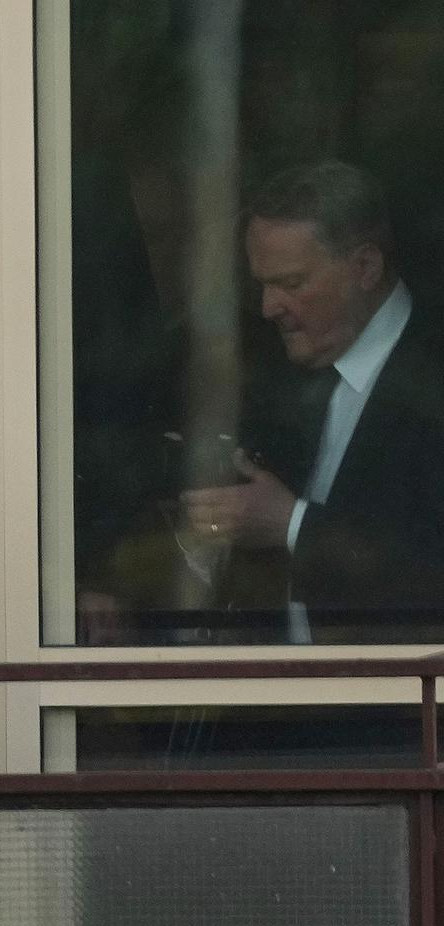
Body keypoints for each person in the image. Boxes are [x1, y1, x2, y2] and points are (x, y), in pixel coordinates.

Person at [180, 161, 444, 644]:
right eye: (262, 283)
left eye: (292, 283)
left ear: (365, 268)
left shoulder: (430, 376)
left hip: (410, 713)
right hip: (282, 705)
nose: (268, 307)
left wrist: (292, 524)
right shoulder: (274, 375)